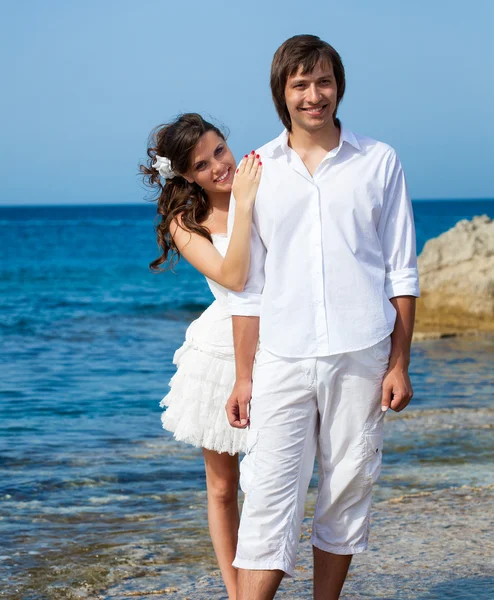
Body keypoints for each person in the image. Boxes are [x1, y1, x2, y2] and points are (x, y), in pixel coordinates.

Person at [226, 35, 420, 599]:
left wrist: (399, 363)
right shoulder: (256, 172)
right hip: (281, 358)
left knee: (346, 492)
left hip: (362, 354)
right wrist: (244, 376)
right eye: (301, 85)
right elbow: (248, 289)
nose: (315, 95)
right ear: (281, 93)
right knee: (266, 497)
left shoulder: (379, 161)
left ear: (339, 87)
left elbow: (400, 274)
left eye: (324, 82)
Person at [141, 113, 262, 599]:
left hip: (283, 343)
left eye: (219, 150)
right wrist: (247, 205)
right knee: (222, 487)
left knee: (272, 482)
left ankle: (264, 581)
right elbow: (233, 279)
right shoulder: (185, 221)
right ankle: (238, 593)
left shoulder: (261, 178)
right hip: (220, 353)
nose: (219, 166)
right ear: (185, 175)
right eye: (202, 163)